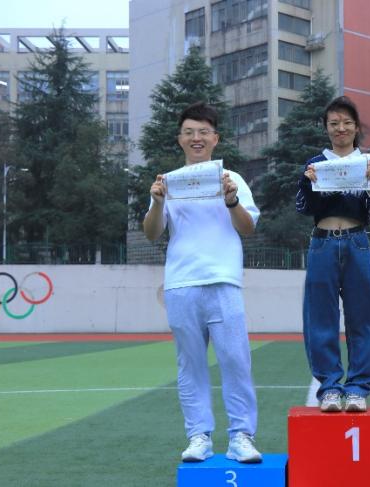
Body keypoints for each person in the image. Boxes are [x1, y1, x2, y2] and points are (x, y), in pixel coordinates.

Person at [143, 102, 262, 462]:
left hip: (223, 280)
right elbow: (152, 233)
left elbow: (248, 227)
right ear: (180, 138)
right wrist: (156, 202)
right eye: (189, 132)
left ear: (215, 138)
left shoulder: (232, 179)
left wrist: (232, 201)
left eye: (203, 132)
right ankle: (199, 436)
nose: (196, 138)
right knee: (190, 365)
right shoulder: (168, 182)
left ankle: (241, 436)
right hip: (181, 284)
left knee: (235, 361)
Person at [296, 96, 370, 413]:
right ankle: (330, 387)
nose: (341, 128)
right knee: (320, 317)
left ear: (356, 127)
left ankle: (359, 387)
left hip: (357, 241)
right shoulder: (315, 164)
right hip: (322, 242)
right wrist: (308, 183)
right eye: (334, 123)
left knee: (364, 317)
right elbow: (303, 207)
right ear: (326, 128)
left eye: (347, 122)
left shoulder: (368, 164)